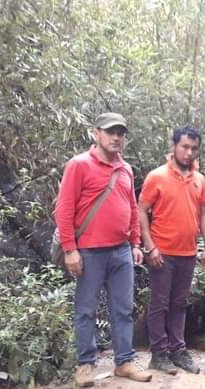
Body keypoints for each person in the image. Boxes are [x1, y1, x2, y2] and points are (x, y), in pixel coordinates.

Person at [54, 112, 152, 386]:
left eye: (120, 133)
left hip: (121, 251)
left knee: (123, 309)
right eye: (110, 132)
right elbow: (64, 210)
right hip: (88, 252)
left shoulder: (126, 170)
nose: (116, 137)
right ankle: (85, 365)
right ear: (96, 133)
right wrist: (70, 249)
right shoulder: (79, 165)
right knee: (86, 310)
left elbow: (131, 208)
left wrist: (134, 243)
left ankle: (124, 362)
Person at [138, 126, 205, 375]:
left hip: (188, 253)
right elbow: (141, 211)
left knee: (180, 303)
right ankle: (159, 354)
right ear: (174, 146)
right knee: (160, 303)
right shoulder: (156, 177)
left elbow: (204, 213)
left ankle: (178, 350)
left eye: (194, 148)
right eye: (184, 146)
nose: (189, 152)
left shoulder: (199, 180)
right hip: (162, 253)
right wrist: (150, 247)